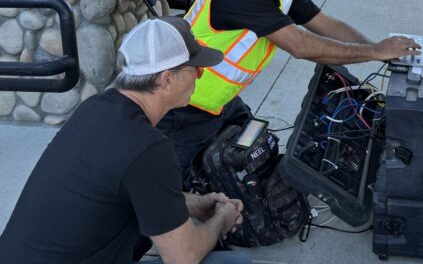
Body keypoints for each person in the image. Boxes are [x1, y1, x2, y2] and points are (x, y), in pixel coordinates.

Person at [157, 0, 420, 173]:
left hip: (218, 100)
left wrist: (378, 48)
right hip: (184, 108)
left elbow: (326, 24)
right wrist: (374, 52)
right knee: (188, 183)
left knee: (256, 160)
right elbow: (300, 45)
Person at [0, 17, 251, 264]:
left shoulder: (94, 108)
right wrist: (221, 219)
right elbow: (183, 257)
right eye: (195, 69)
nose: (200, 75)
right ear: (166, 80)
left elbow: (134, 190)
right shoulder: (149, 148)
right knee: (234, 262)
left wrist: (198, 205)